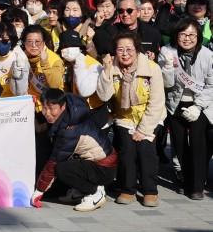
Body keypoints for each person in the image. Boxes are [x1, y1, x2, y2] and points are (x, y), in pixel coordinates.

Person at [96, 32, 166, 206]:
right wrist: (105, 71)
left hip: (150, 116)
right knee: (127, 150)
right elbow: (104, 96)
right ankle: (127, 189)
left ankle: (150, 190)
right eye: (120, 50)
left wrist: (143, 130)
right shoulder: (112, 68)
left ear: (137, 49)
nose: (125, 54)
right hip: (125, 117)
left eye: (129, 49)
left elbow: (157, 102)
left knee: (145, 149)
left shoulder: (152, 68)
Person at [32, 88, 116, 213]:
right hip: (92, 163)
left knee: (61, 169)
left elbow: (54, 162)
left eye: (51, 108)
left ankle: (95, 192)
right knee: (62, 165)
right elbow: (40, 127)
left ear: (62, 106)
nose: (47, 113)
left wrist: (38, 192)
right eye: (44, 108)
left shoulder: (71, 129)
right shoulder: (69, 113)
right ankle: (79, 191)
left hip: (103, 168)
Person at [158, 19, 213, 200]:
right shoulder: (167, 51)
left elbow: (211, 85)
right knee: (178, 142)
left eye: (191, 35)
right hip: (175, 101)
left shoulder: (207, 55)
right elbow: (166, 84)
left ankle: (197, 186)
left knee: (198, 142)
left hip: (200, 103)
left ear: (198, 36)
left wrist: (198, 106)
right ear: (176, 35)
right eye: (183, 34)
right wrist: (167, 69)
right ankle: (186, 180)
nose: (187, 39)